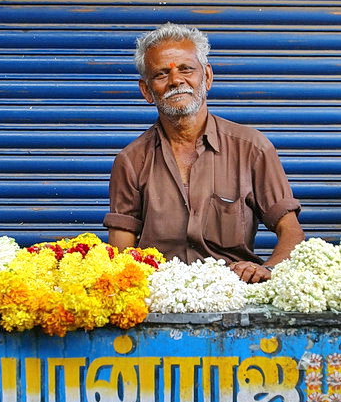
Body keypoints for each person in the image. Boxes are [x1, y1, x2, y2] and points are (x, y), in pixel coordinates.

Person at [103, 23, 304, 283]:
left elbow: (291, 232)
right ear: (146, 91)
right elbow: (121, 255)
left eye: (186, 69)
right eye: (161, 74)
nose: (176, 80)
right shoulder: (130, 161)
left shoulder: (252, 148)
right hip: (161, 299)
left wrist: (268, 269)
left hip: (234, 295)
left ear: (207, 77)